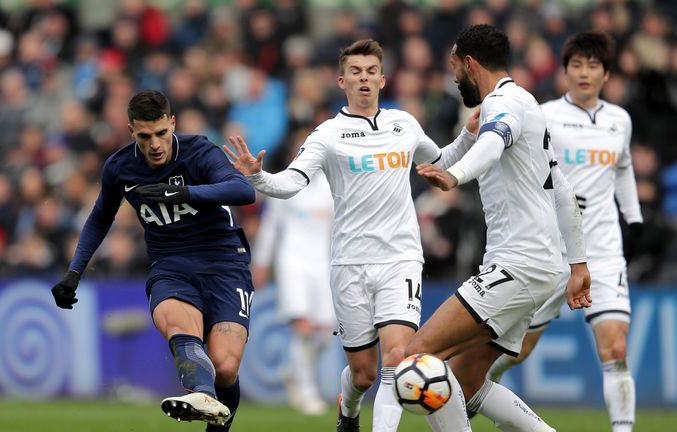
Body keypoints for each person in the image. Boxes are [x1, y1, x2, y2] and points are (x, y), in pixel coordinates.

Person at [223, 39, 479, 432]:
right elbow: (292, 183)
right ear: (342, 81)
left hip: (401, 258)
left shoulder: (404, 124)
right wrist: (258, 176)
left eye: (371, 71)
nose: (364, 78)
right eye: (356, 72)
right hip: (350, 263)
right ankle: (349, 409)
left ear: (382, 78)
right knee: (362, 374)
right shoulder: (328, 134)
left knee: (397, 356)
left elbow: (439, 161)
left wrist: (467, 135)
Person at [406, 24, 592, 432]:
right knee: (468, 384)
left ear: (470, 64)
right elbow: (561, 191)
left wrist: (454, 177)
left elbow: (492, 144)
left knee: (418, 355)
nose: (455, 78)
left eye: (455, 68)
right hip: (540, 266)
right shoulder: (527, 104)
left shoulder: (502, 105)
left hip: (518, 266)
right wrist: (577, 265)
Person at [50, 90, 256, 431]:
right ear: (132, 131)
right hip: (170, 265)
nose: (156, 144)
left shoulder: (200, 152)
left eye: (162, 133)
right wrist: (74, 272)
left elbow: (243, 191)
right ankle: (201, 394)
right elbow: (101, 217)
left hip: (224, 262)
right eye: (145, 136)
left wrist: (182, 192)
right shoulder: (120, 167)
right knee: (180, 328)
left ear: (172, 123)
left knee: (225, 367)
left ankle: (211, 405)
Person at [487, 31, 642, 432]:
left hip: (604, 249)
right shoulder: (545, 115)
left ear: (606, 74)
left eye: (593, 65)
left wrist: (634, 216)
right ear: (564, 71)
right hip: (552, 249)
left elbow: (623, 170)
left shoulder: (619, 121)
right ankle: (481, 384)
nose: (584, 72)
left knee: (617, 348)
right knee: (518, 350)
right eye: (577, 64)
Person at [251, 135, 336, 416]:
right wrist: (261, 263)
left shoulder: (330, 187)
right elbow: (270, 228)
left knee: (325, 333)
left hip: (323, 265)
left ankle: (294, 370)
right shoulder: (284, 183)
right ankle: (307, 391)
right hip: (292, 264)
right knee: (302, 326)